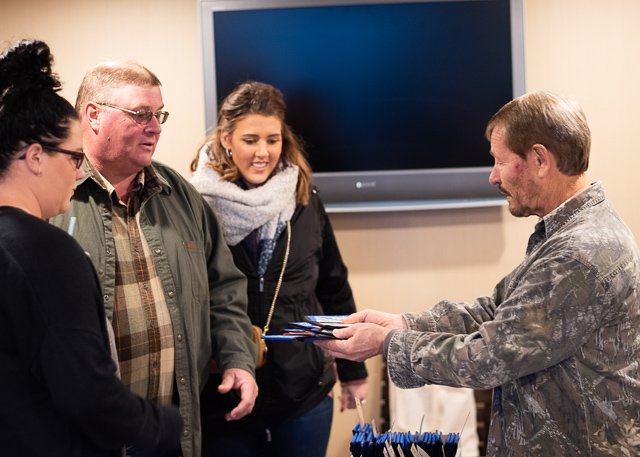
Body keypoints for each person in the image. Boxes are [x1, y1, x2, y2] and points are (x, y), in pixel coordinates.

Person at [315, 91, 640, 456]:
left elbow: (492, 356)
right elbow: (497, 310)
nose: (492, 176)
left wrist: (386, 343)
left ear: (539, 159)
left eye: (500, 161)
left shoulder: (579, 253)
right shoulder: (571, 233)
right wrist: (403, 324)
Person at [48, 60, 259, 457]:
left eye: (158, 114)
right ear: (93, 115)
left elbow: (224, 289)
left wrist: (237, 359)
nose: (155, 127)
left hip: (172, 432)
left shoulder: (179, 194)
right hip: (87, 438)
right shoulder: (53, 195)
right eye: (140, 114)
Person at [0, 39, 183, 456]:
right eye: (73, 157)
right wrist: (166, 425)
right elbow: (86, 392)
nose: (78, 170)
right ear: (35, 157)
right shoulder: (45, 251)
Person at [190, 81, 368, 457]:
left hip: (304, 392)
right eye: (250, 140)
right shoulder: (195, 205)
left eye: (273, 140)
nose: (263, 152)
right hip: (224, 393)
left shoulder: (304, 198)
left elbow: (333, 285)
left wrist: (352, 370)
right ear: (226, 139)